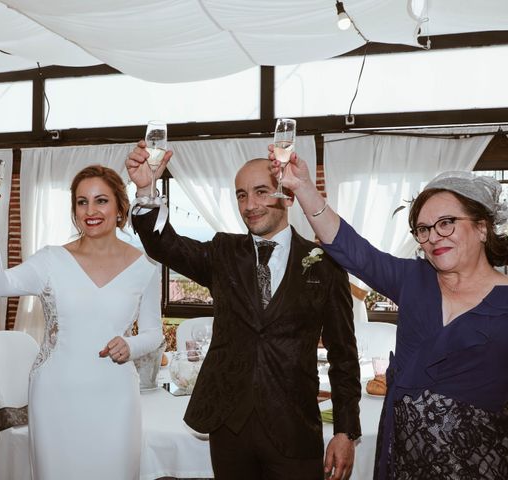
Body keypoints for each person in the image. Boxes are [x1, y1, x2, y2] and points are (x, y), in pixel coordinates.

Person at [126, 141, 361, 480]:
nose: (250, 205)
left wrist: (345, 431)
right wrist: (146, 189)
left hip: (295, 428)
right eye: (241, 195)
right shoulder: (223, 252)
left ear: (288, 195)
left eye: (261, 192)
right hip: (229, 428)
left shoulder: (325, 265)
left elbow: (343, 356)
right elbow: (164, 244)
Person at [273, 149, 508, 479]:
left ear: (482, 227)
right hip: (403, 458)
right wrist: (304, 188)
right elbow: (353, 250)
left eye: (446, 223)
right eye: (423, 229)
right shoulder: (413, 280)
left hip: (476, 465)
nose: (433, 237)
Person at [0, 164, 163, 479]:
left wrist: (131, 343)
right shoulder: (50, 260)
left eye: (101, 200)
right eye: (82, 201)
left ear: (119, 208)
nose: (91, 210)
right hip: (55, 393)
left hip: (115, 394)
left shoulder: (147, 265)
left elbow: (154, 332)